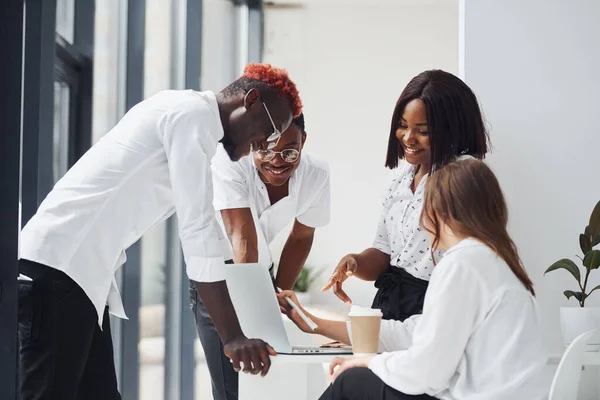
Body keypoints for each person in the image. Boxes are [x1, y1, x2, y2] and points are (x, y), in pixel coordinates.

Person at [17, 63, 302, 400]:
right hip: (58, 270)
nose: (266, 143)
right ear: (251, 101)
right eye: (270, 130)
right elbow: (197, 230)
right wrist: (232, 337)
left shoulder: (189, 120)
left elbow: (206, 224)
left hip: (77, 278)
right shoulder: (191, 117)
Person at [279, 159, 548, 400]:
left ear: (439, 212)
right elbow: (411, 334)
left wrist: (369, 365)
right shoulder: (497, 263)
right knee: (358, 377)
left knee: (350, 384)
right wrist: (316, 326)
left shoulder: (462, 263)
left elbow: (428, 371)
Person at [322, 69, 490, 322]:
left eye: (422, 130)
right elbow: (385, 253)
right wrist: (354, 262)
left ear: (451, 128)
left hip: (435, 307)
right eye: (402, 126)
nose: (408, 138)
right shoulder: (400, 179)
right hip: (392, 306)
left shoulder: (462, 177)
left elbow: (471, 259)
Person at [191, 112, 330, 400]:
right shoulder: (229, 161)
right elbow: (243, 237)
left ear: (303, 141)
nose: (276, 160)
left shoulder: (316, 174)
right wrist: (255, 312)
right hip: (220, 278)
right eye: (264, 149)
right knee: (234, 387)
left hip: (258, 272)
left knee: (266, 384)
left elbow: (301, 236)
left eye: (289, 151)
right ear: (253, 143)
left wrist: (277, 294)